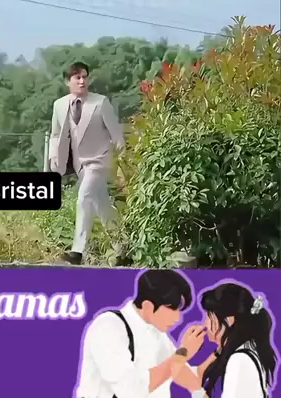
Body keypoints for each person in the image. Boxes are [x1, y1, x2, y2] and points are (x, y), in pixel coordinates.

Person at [75, 269, 206, 397]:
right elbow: (131, 391)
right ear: (148, 306)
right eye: (172, 308)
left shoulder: (156, 332)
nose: (178, 318)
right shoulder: (108, 327)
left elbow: (181, 372)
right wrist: (183, 352)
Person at [49, 61, 124, 264]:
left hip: (100, 160)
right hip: (80, 164)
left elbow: (117, 135)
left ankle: (78, 251)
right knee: (102, 206)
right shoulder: (59, 105)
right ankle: (122, 246)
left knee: (84, 197)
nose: (82, 81)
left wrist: (121, 163)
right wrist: (53, 157)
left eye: (85, 77)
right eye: (77, 77)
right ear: (68, 81)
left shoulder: (100, 103)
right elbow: (56, 134)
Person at [198, 282, 278, 397]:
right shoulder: (248, 348)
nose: (205, 323)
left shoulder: (239, 359)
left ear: (229, 320)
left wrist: (195, 389)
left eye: (209, 316)